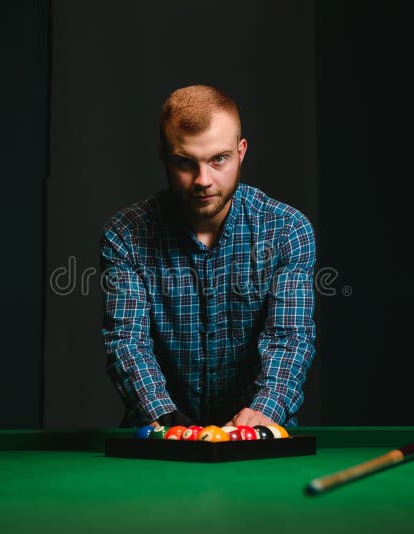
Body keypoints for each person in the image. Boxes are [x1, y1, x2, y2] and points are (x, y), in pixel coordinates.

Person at [100, 85, 315, 429]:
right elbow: (128, 340)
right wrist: (164, 416)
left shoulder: (288, 230)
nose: (203, 180)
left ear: (241, 152)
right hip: (161, 440)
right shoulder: (126, 235)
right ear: (164, 157)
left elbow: (289, 338)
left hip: (256, 438)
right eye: (185, 162)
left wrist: (265, 412)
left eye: (219, 159)